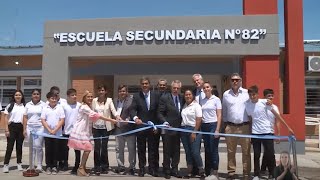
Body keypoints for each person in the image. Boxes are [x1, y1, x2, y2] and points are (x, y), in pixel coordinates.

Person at [245, 85, 294, 180]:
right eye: (250, 95)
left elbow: (277, 117)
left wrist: (288, 127)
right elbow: (251, 120)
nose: (252, 96)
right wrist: (250, 133)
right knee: (256, 154)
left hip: (267, 132)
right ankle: (256, 174)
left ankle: (272, 173)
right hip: (255, 133)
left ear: (258, 94)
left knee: (270, 154)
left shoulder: (264, 102)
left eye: (254, 94)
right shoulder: (248, 105)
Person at [68, 90, 118, 177]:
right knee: (87, 149)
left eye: (91, 96)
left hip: (85, 130)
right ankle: (80, 168)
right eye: (88, 97)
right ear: (84, 98)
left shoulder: (88, 106)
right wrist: (111, 120)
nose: (90, 98)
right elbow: (96, 115)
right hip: (80, 131)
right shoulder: (84, 107)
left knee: (87, 149)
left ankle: (82, 167)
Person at [222, 73, 251, 180]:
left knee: (246, 152)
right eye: (233, 80)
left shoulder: (247, 93)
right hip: (230, 127)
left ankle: (246, 174)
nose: (235, 82)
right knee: (230, 151)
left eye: (237, 80)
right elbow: (224, 110)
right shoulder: (226, 94)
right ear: (230, 81)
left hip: (244, 126)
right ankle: (231, 172)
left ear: (241, 81)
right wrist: (225, 124)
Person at [130, 76, 160, 177]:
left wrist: (157, 126)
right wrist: (135, 118)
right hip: (141, 127)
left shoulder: (156, 95)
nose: (144, 85)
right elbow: (132, 109)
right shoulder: (136, 96)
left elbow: (158, 111)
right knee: (141, 149)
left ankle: (152, 169)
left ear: (149, 84)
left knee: (153, 149)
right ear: (140, 85)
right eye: (143, 84)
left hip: (153, 127)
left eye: (146, 83)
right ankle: (142, 168)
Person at [158, 80, 183, 179]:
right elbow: (160, 113)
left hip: (178, 129)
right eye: (174, 88)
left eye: (178, 88)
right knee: (167, 150)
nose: (176, 90)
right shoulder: (165, 98)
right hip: (167, 128)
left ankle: (174, 169)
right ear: (171, 88)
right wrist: (164, 122)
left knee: (176, 150)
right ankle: (167, 170)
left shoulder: (182, 98)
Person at [91, 84, 119, 175]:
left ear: (105, 91)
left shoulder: (109, 100)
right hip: (96, 127)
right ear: (97, 91)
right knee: (97, 147)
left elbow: (113, 111)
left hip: (106, 128)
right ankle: (97, 166)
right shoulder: (94, 100)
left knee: (104, 147)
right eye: (99, 90)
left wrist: (117, 117)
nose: (101, 92)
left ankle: (105, 166)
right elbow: (90, 111)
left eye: (103, 90)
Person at [180, 89, 205, 179]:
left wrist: (194, 131)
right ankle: (189, 171)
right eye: (186, 94)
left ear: (193, 96)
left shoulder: (196, 106)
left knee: (195, 152)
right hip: (184, 130)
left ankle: (201, 171)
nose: (188, 96)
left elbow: (199, 119)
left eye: (189, 94)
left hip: (194, 129)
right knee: (188, 152)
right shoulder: (184, 105)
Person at [113, 85, 136, 175]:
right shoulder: (115, 101)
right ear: (118, 92)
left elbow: (134, 111)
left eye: (124, 91)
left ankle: (132, 167)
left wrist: (129, 119)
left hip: (129, 128)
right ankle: (121, 166)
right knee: (119, 149)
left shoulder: (131, 101)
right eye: (120, 91)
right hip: (118, 129)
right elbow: (112, 112)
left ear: (126, 92)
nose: (122, 93)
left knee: (131, 149)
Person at [201, 81, 222, 178]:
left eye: (207, 87)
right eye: (204, 88)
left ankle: (215, 170)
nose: (206, 89)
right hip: (204, 126)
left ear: (211, 88)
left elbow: (219, 115)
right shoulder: (202, 100)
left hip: (213, 125)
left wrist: (217, 129)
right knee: (207, 149)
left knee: (213, 149)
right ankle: (208, 170)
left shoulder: (216, 99)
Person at [41, 91, 65, 175]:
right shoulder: (45, 108)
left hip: (57, 133)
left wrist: (55, 130)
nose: (54, 100)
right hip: (47, 133)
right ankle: (48, 166)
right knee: (48, 150)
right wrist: (49, 130)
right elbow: (43, 120)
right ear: (48, 99)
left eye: (55, 98)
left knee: (56, 150)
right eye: (52, 98)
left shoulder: (60, 107)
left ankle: (54, 166)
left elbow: (62, 120)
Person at [2, 90, 26, 173]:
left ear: (22, 96)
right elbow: (5, 117)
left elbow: (26, 118)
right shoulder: (10, 105)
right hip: (12, 127)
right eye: (16, 95)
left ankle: (19, 163)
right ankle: (6, 165)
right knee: (9, 147)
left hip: (21, 127)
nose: (18, 96)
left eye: (19, 95)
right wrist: (6, 130)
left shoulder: (25, 106)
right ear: (14, 96)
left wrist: (25, 129)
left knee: (19, 147)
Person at [23, 89, 46, 172]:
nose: (36, 95)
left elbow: (45, 117)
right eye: (34, 94)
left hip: (40, 128)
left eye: (37, 94)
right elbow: (25, 117)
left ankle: (39, 165)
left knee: (38, 146)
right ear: (31, 95)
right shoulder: (28, 105)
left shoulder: (43, 104)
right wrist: (24, 129)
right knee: (31, 147)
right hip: (30, 128)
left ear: (40, 95)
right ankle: (31, 165)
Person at [60, 88, 81, 174]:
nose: (74, 96)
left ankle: (76, 166)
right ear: (68, 96)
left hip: (76, 131)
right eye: (72, 95)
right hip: (66, 131)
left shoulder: (79, 105)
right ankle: (65, 164)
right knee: (65, 149)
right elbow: (61, 118)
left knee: (77, 150)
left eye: (75, 94)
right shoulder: (64, 106)